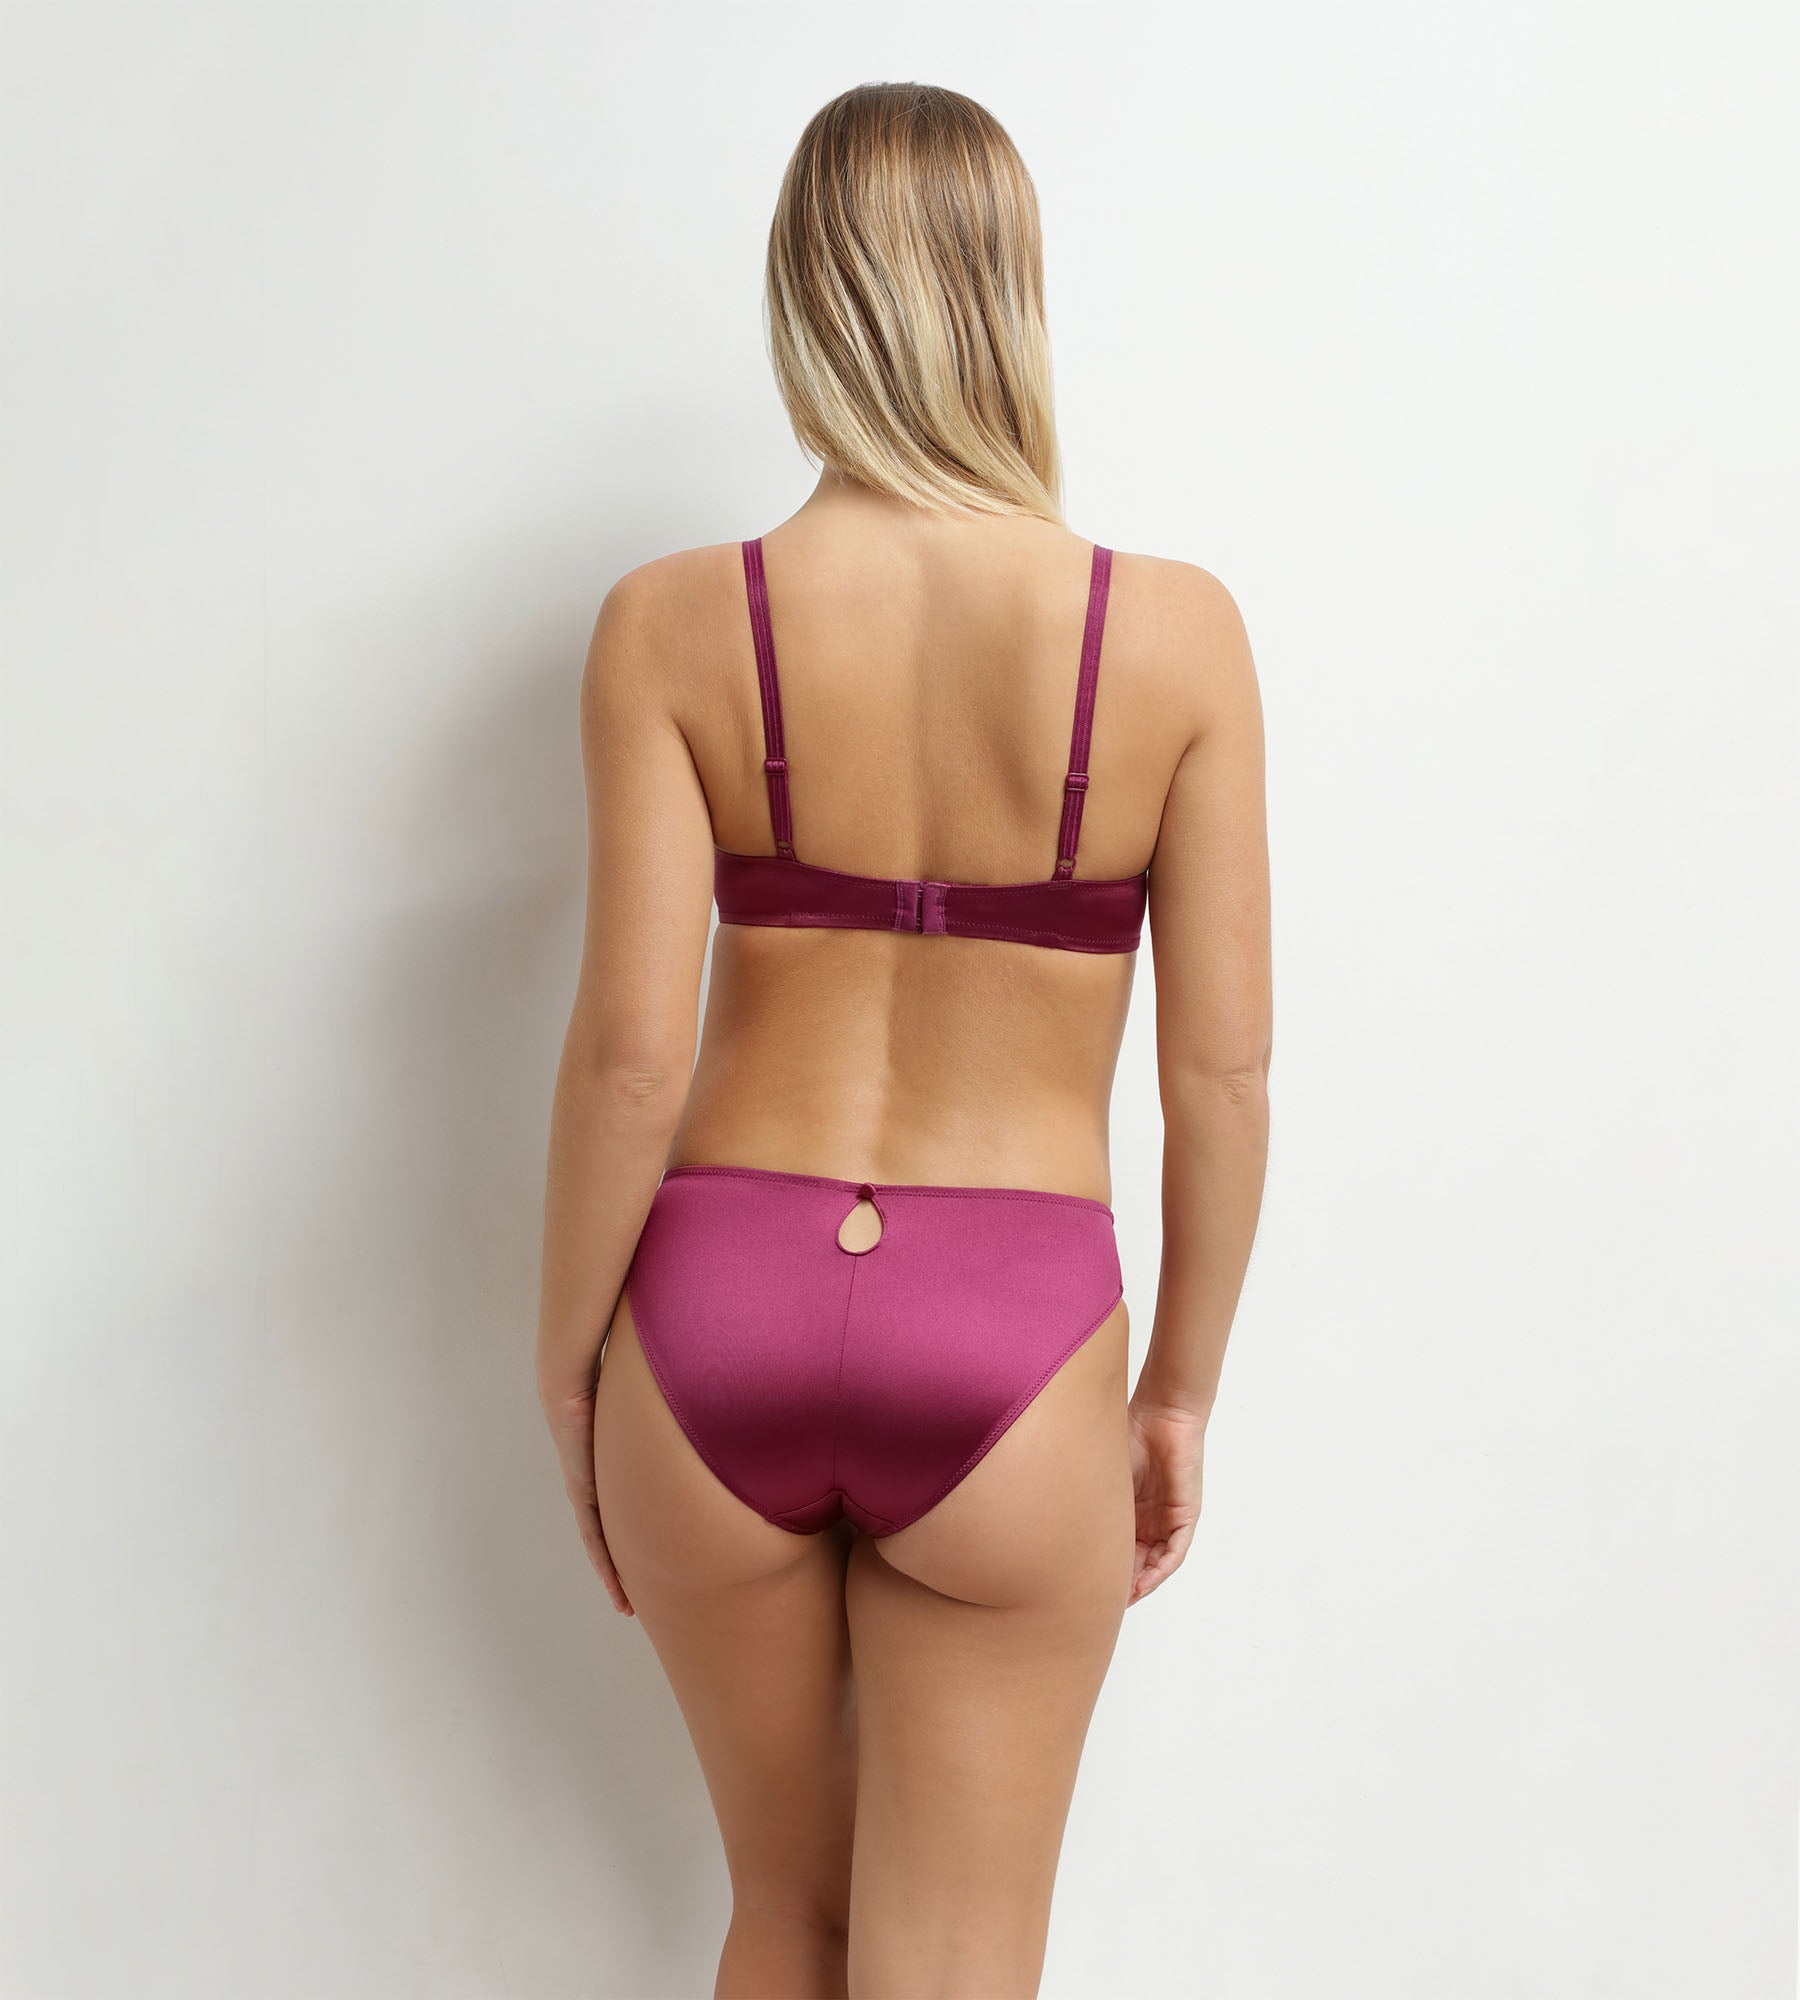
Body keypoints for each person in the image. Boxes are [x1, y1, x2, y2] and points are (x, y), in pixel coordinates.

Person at [536, 80, 1271, 2000]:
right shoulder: (1176, 638)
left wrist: (568, 1367)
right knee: (952, 1957)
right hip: (1010, 1324)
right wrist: (1177, 1394)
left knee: (786, 1915)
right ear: (1012, 295)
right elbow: (1218, 1081)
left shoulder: (670, 625)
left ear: (805, 299)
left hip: (713, 1312)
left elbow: (629, 1056)